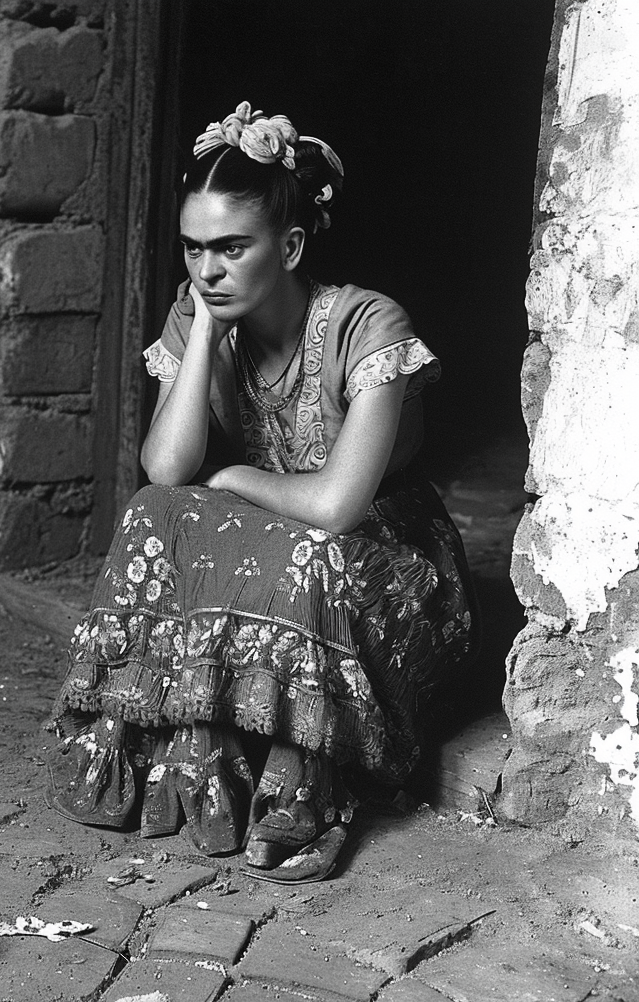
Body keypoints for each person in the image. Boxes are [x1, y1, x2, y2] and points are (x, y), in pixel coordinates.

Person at [45, 102, 478, 883]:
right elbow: (166, 470)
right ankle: (195, 747)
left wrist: (232, 476)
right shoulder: (201, 310)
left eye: (232, 248)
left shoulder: (366, 324)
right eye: (193, 249)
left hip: (378, 556)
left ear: (291, 244)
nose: (207, 270)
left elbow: (338, 508)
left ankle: (299, 777)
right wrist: (206, 334)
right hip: (270, 543)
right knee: (154, 516)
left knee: (306, 553)